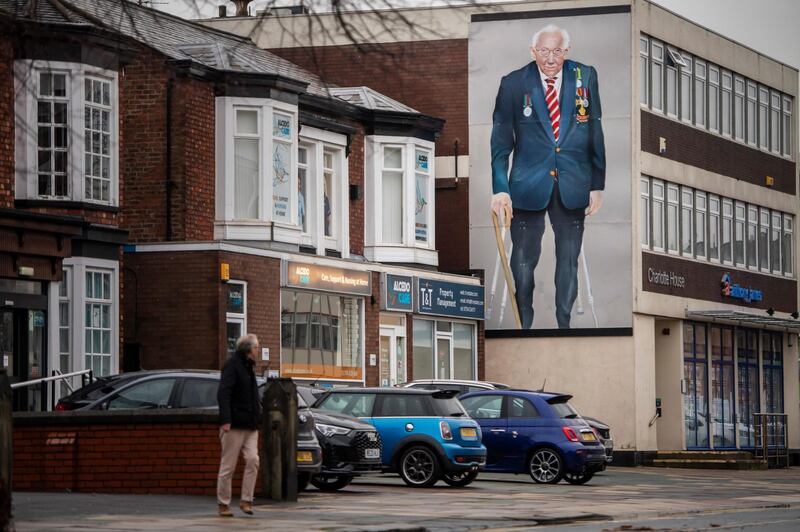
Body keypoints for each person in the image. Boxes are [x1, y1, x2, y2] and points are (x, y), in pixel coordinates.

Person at [490, 23, 606, 329]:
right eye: (544, 50)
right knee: (523, 262)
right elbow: (500, 144)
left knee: (568, 260)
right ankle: (523, 320)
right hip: (527, 187)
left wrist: (597, 185)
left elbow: (595, 131)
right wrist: (500, 189)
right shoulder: (514, 83)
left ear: (566, 51)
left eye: (557, 51)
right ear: (533, 51)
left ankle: (563, 324)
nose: (550, 58)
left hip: (572, 184)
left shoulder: (585, 76)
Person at [217, 334, 262, 517]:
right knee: (228, 466)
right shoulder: (232, 365)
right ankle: (223, 503)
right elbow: (224, 393)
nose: (258, 350)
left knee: (253, 460)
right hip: (234, 424)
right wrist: (225, 420)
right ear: (248, 349)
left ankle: (246, 500)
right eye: (257, 347)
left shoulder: (250, 367)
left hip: (250, 425)